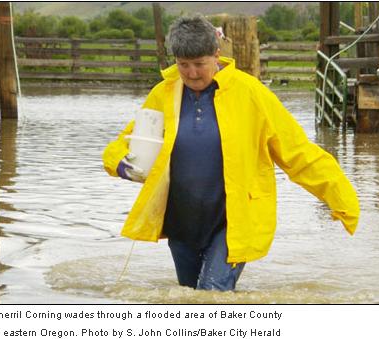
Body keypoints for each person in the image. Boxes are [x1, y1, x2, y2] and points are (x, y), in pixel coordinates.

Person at [102, 15, 360, 292]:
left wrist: (340, 197)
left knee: (212, 293)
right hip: (181, 222)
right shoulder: (162, 94)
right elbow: (131, 140)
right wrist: (118, 162)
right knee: (189, 297)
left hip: (233, 220)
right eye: (183, 65)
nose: (191, 73)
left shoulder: (251, 94)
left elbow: (298, 152)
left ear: (216, 54)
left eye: (199, 64)